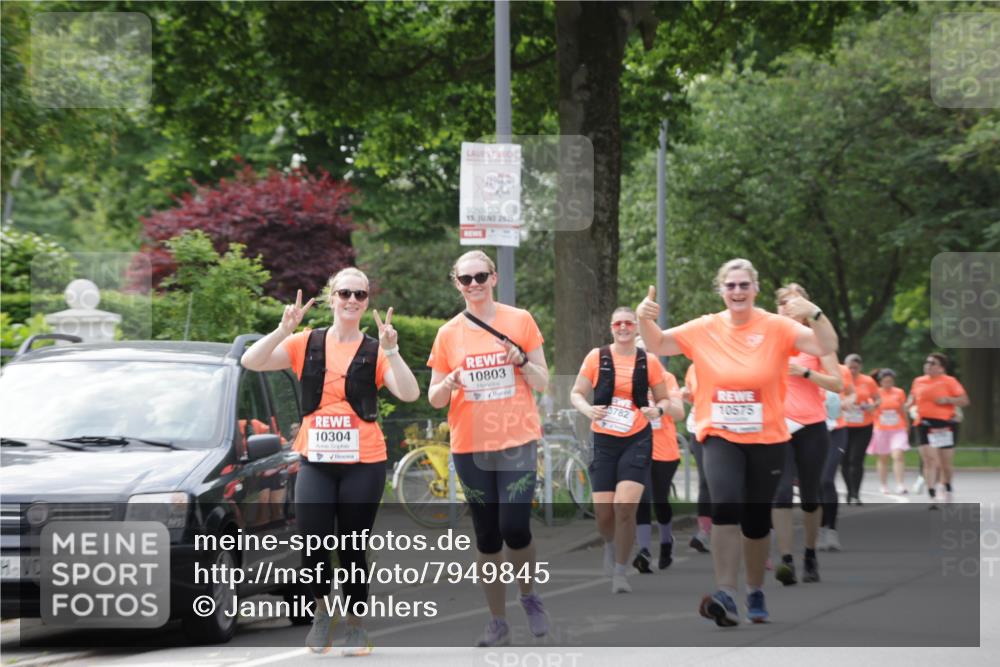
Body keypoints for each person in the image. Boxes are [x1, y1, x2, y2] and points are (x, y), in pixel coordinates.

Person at [638, 258, 837, 627]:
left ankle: (755, 589)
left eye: (744, 285)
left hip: (768, 437)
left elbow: (826, 344)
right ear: (721, 291)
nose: (737, 292)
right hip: (720, 435)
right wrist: (644, 317)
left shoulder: (776, 326)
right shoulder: (706, 327)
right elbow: (659, 343)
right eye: (730, 286)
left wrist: (814, 312)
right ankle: (726, 591)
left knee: (757, 520)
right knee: (726, 505)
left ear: (755, 289)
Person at [241, 268, 420, 656]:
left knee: (353, 546)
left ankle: (355, 625)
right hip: (316, 461)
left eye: (360, 294)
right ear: (331, 298)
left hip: (364, 462)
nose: (352, 301)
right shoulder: (306, 343)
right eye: (345, 293)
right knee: (314, 543)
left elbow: (408, 392)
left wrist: (392, 350)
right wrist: (282, 329)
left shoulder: (374, 350)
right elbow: (252, 361)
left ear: (367, 300)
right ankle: (323, 612)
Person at [427, 250, 551, 646]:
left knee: (514, 527)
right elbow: (433, 397)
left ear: (494, 278)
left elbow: (544, 381)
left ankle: (528, 595)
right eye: (466, 279)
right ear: (456, 284)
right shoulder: (448, 333)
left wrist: (521, 364)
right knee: (487, 537)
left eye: (481, 276)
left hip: (516, 441)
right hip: (471, 446)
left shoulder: (520, 320)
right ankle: (497, 620)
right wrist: (449, 384)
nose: (474, 284)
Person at [571, 308, 672, 593]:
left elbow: (664, 398)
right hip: (604, 439)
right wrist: (588, 409)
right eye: (618, 323)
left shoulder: (648, 361)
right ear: (611, 327)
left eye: (629, 323)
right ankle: (610, 543)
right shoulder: (597, 357)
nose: (624, 327)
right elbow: (576, 393)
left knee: (625, 508)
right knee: (605, 514)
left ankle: (620, 571)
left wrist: (657, 410)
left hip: (637, 438)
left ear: (636, 329)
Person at [771, 284, 843, 586]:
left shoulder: (816, 341)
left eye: (796, 302)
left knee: (811, 496)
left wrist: (804, 373)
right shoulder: (767, 339)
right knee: (781, 493)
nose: (789, 307)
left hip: (811, 425)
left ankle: (810, 554)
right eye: (784, 303)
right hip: (776, 425)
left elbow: (838, 384)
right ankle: (786, 559)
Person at [631, 337, 686, 573]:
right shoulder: (627, 381)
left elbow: (680, 413)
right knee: (642, 498)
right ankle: (643, 550)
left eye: (646, 351)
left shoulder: (667, 378)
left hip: (664, 450)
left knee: (660, 500)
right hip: (637, 448)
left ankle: (666, 541)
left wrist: (660, 406)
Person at [906, 352, 970, 507]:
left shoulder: (949, 381)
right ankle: (932, 494)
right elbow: (911, 399)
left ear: (941, 368)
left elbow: (964, 400)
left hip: (944, 425)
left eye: (932, 363)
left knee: (945, 462)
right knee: (929, 460)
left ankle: (947, 488)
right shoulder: (918, 381)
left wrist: (948, 400)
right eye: (927, 362)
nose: (928, 365)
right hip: (923, 423)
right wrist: (907, 407)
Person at [818, 359, 854, 552]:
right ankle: (819, 528)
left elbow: (851, 392)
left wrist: (847, 401)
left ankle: (831, 530)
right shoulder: (800, 366)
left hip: (836, 430)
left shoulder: (840, 369)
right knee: (814, 484)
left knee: (826, 480)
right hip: (810, 431)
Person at [841, 354, 880, 505]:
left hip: (863, 426)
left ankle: (856, 494)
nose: (852, 370)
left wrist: (873, 405)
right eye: (850, 367)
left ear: (860, 367)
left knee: (856, 460)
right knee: (844, 461)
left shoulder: (868, 381)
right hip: (843, 426)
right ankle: (849, 491)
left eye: (856, 368)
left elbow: (878, 398)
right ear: (844, 366)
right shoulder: (838, 379)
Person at [682, 364, 713, 554]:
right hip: (698, 427)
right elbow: (692, 396)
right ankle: (704, 532)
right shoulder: (693, 368)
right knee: (706, 482)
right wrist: (686, 396)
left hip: (726, 427)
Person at [867, 369, 911, 494]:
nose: (888, 384)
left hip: (898, 429)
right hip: (881, 429)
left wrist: (907, 426)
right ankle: (883, 484)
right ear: (880, 382)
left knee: (898, 455)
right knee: (883, 458)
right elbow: (870, 410)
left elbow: (903, 411)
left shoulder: (899, 392)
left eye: (890, 381)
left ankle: (900, 484)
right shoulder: (875, 393)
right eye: (885, 382)